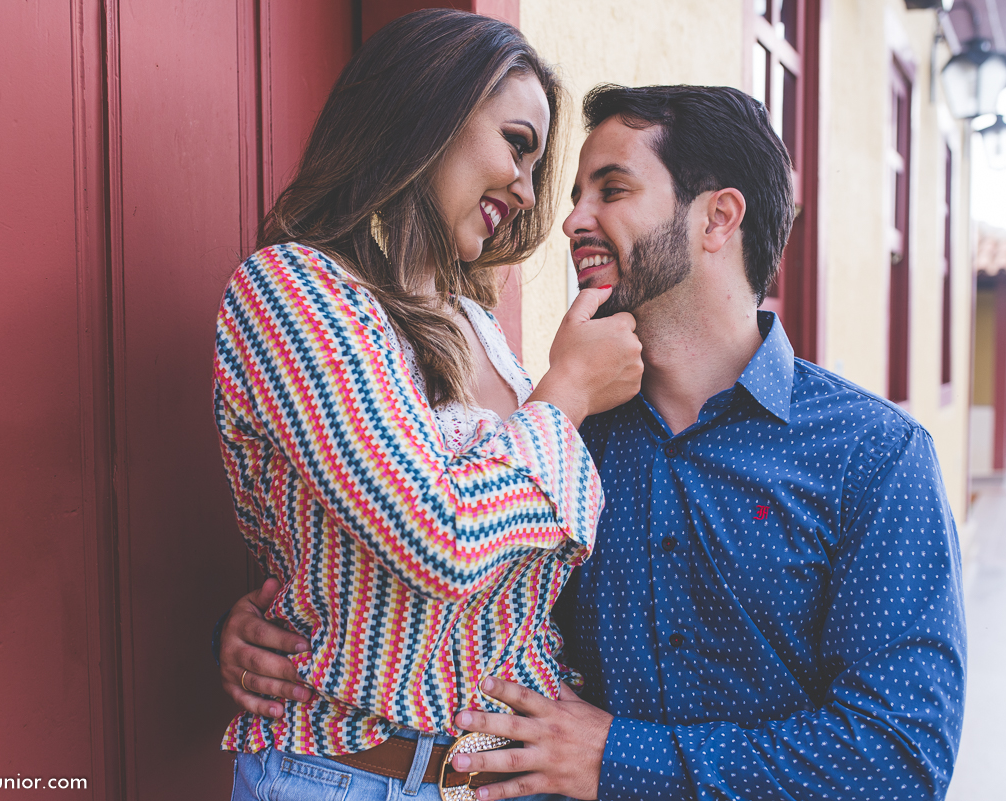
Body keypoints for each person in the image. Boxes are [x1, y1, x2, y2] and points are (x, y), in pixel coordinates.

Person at [220, 84, 967, 801]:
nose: (572, 218)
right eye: (574, 192)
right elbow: (457, 591)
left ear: (718, 218)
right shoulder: (561, 434)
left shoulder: (871, 455)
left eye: (610, 190)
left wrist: (619, 758)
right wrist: (280, 624)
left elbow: (899, 754)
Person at [212, 9, 642, 801]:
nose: (524, 186)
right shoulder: (295, 292)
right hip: (341, 776)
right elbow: (436, 534)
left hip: (505, 781)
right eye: (516, 143)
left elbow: (524, 591)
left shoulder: (483, 330)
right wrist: (567, 394)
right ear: (429, 107)